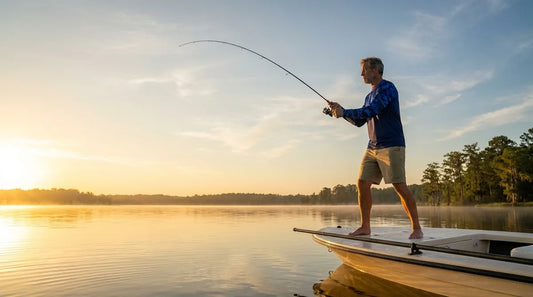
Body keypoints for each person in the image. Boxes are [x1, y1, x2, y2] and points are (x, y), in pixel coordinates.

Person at [328, 57, 423, 239]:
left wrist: (345, 112)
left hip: (392, 144)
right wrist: (341, 111)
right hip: (372, 146)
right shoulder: (368, 96)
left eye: (364, 70)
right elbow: (360, 121)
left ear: (376, 70)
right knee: (362, 183)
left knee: (399, 185)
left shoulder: (388, 88)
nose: (361, 74)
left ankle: (417, 228)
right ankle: (365, 227)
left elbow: (372, 110)